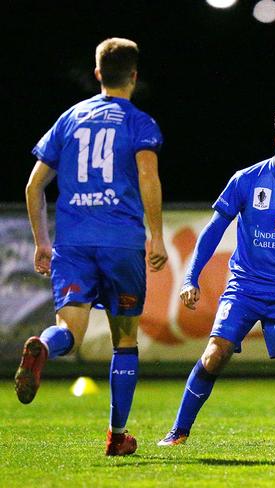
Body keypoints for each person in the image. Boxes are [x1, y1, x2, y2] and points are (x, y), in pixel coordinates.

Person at [15, 38, 168, 456]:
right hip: (120, 243)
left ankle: (43, 347)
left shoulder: (69, 119)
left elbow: (34, 185)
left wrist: (42, 242)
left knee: (70, 332)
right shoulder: (139, 122)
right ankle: (117, 436)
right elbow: (148, 178)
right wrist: (155, 233)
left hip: (74, 243)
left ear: (98, 73)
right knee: (124, 340)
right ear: (134, 75)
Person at [158, 108, 275, 447]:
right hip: (246, 287)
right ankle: (178, 431)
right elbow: (213, 232)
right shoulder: (247, 180)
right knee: (215, 353)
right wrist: (190, 278)